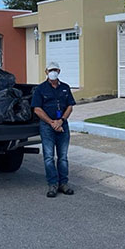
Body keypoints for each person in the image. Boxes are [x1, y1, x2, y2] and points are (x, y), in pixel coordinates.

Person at [31, 62, 76, 198]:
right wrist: (51, 122)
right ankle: (53, 184)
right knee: (49, 157)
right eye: (51, 70)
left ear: (59, 71)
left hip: (62, 125)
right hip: (47, 126)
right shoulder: (40, 89)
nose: (53, 72)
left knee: (63, 157)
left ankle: (64, 183)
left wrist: (61, 121)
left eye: (55, 70)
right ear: (46, 72)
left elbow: (70, 106)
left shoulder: (65, 88)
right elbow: (37, 109)